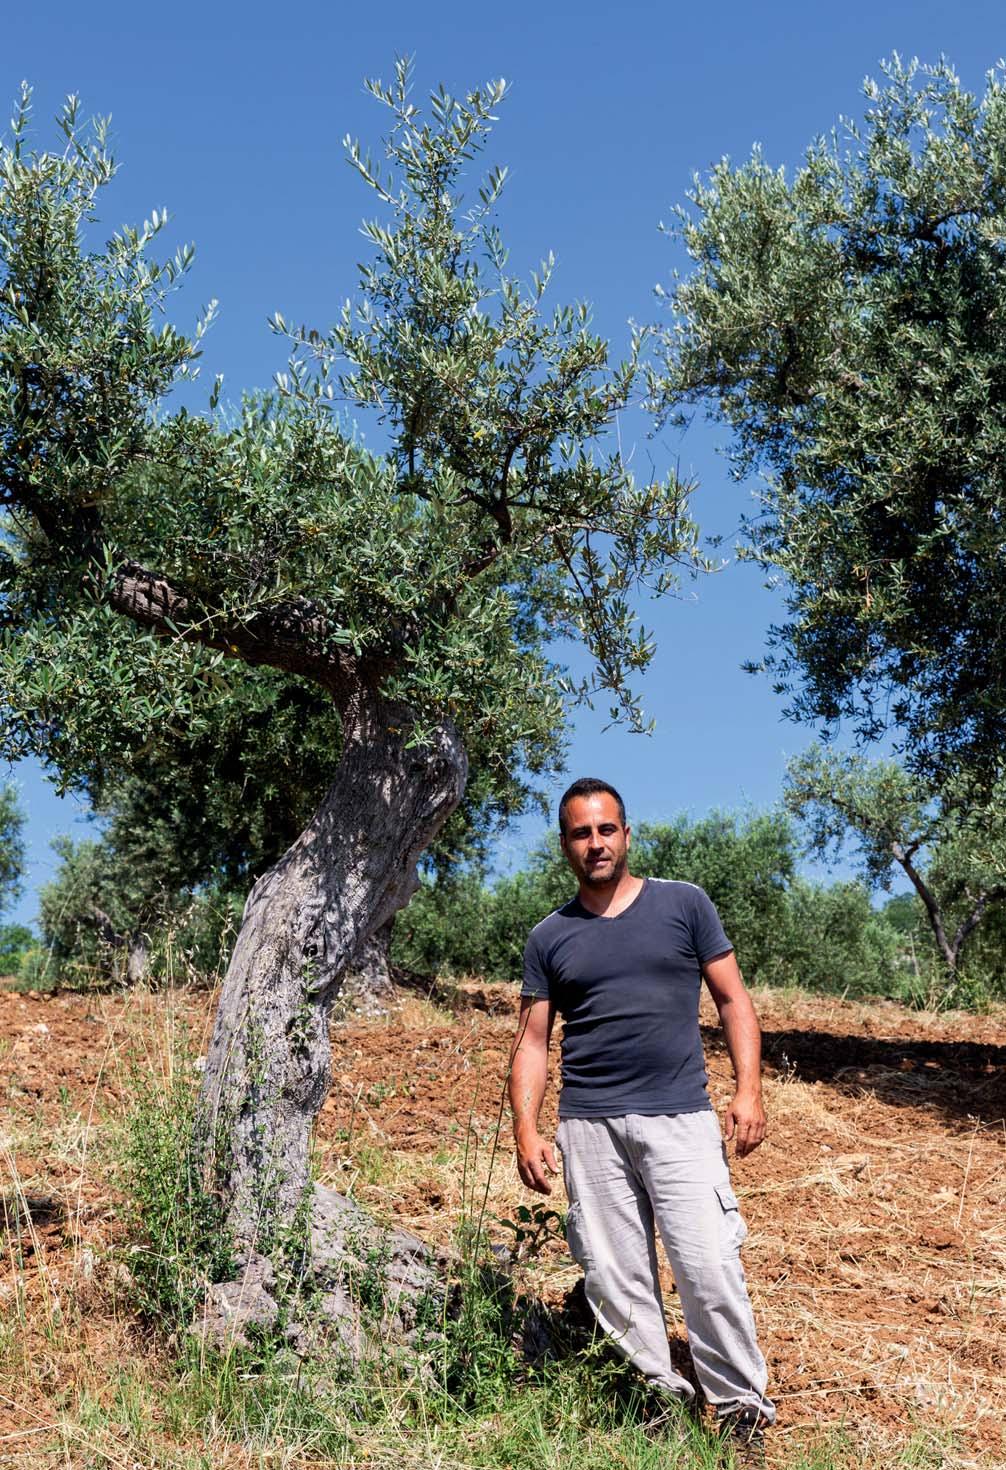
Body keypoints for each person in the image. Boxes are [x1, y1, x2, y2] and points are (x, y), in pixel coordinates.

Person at [509, 776, 776, 1460]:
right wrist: (526, 1130)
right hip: (589, 1127)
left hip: (680, 1117)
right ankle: (659, 1399)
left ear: (626, 835)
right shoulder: (549, 937)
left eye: (606, 830)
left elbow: (734, 1001)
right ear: (565, 846)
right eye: (581, 833)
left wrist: (748, 1090)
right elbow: (533, 1042)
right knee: (615, 1276)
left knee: (708, 1266)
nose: (595, 843)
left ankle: (741, 1411)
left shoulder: (684, 905)